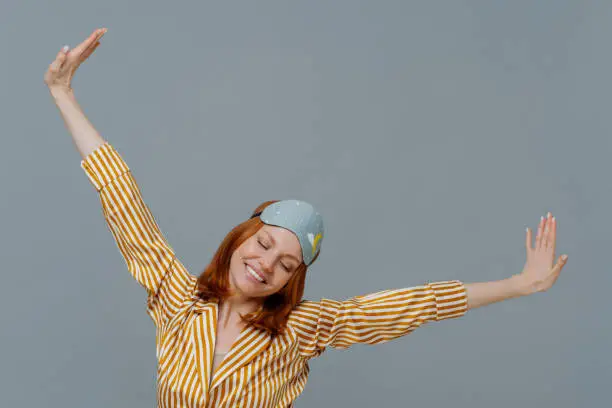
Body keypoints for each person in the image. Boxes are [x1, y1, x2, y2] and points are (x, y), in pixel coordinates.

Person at [45, 28, 570, 408]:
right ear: (242, 237)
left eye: (288, 262)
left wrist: (519, 285)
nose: (266, 263)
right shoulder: (178, 303)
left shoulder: (300, 329)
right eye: (266, 243)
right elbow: (123, 202)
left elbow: (414, 305)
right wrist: (63, 93)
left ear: (292, 280)